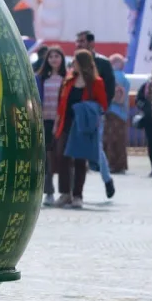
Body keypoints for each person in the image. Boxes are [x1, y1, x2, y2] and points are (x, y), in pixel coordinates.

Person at [53, 49, 108, 209]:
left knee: (79, 160)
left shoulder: (96, 82)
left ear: (82, 63)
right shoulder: (69, 80)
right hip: (66, 123)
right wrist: (57, 121)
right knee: (62, 157)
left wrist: (85, 108)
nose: (72, 65)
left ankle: (77, 195)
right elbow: (61, 103)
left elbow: (102, 105)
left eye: (75, 62)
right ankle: (65, 194)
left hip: (82, 126)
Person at [75, 31, 117, 199]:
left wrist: (101, 109)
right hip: (77, 112)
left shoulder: (103, 63)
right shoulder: (74, 63)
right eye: (77, 41)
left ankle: (107, 180)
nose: (78, 44)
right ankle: (75, 192)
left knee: (96, 147)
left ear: (91, 43)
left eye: (82, 41)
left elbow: (110, 89)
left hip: (95, 112)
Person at [35, 46, 66, 206]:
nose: (54, 59)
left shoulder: (67, 79)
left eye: (57, 56)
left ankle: (66, 192)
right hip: (45, 122)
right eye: (51, 57)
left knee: (62, 157)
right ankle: (48, 191)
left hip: (62, 123)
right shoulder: (41, 79)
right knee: (47, 158)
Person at [103, 54, 131, 175]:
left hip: (111, 111)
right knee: (120, 139)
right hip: (122, 112)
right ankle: (121, 164)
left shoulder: (111, 77)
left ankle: (112, 163)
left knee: (110, 139)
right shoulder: (124, 78)